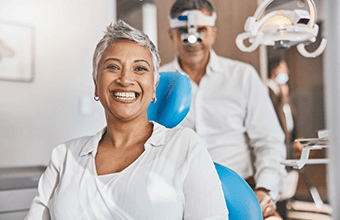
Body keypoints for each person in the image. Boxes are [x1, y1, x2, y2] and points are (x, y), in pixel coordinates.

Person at [25, 20, 228, 220]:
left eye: (140, 68)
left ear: (154, 88)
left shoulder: (184, 146)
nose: (125, 80)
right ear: (96, 84)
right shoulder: (64, 156)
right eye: (113, 67)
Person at [159, 0, 287, 219]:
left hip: (242, 192)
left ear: (213, 33)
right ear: (171, 35)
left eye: (201, 29)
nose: (193, 39)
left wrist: (265, 189)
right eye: (183, 31)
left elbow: (269, 141)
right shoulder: (157, 83)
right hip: (178, 197)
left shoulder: (243, 76)